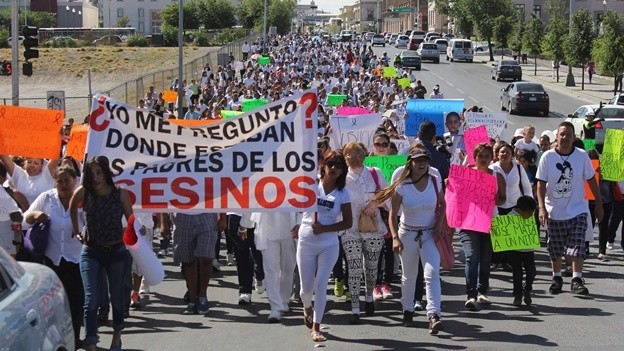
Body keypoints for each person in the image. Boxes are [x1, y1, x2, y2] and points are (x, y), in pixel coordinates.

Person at [373, 143, 448, 335]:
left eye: (425, 160)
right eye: (418, 160)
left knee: (431, 273)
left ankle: (434, 315)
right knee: (409, 276)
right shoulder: (403, 185)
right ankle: (407, 309)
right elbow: (393, 214)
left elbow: (442, 203)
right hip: (407, 234)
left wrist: (440, 224)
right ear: (410, 163)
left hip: (430, 234)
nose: (422, 164)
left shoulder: (433, 180)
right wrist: (395, 238)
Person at [69, 156, 133, 351]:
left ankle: (117, 334)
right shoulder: (84, 192)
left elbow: (131, 219)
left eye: (99, 172)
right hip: (91, 252)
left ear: (106, 173)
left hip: (116, 252)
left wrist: (134, 231)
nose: (95, 177)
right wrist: (76, 230)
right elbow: (72, 207)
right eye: (91, 173)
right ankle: (90, 341)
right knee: (91, 300)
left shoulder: (120, 194)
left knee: (117, 298)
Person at [536, 121, 603, 296]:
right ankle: (556, 278)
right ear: (557, 137)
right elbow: (540, 184)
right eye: (562, 134)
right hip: (555, 211)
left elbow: (591, 180)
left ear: (574, 138)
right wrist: (542, 208)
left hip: (578, 209)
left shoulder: (581, 156)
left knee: (578, 243)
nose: (565, 137)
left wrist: (599, 204)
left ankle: (577, 279)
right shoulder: (547, 157)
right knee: (555, 248)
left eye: (568, 135)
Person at [25, 165, 85, 347]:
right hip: (52, 262)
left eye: (67, 180)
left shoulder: (83, 200)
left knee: (75, 302)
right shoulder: (47, 197)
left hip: (76, 261)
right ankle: (55, 340)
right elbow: (24, 219)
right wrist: (35, 214)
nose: (63, 184)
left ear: (75, 181)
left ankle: (74, 338)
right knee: (54, 305)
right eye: (59, 180)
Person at [297, 151, 352, 342]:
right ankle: (306, 307)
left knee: (320, 285)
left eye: (338, 165)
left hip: (329, 242)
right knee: (306, 289)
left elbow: (347, 223)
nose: (334, 168)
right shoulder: (311, 184)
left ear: (343, 170)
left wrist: (326, 228)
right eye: (331, 164)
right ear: (324, 165)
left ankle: (316, 326)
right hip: (306, 240)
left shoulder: (343, 193)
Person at [341, 142, 387, 324]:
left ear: (364, 154)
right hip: (349, 228)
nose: (352, 156)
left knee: (371, 265)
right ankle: (354, 307)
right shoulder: (342, 177)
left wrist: (375, 203)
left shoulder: (374, 173)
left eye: (356, 152)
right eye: (348, 154)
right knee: (353, 267)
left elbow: (387, 193)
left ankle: (368, 297)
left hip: (373, 227)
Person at [458, 143, 506, 311]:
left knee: (485, 259)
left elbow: (503, 199)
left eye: (487, 156)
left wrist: (492, 198)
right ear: (475, 157)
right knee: (472, 256)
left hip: (489, 221)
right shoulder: (466, 174)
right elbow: (456, 195)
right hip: (469, 222)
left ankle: (482, 291)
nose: (484, 159)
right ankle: (471, 295)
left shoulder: (496, 176)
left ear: (491, 157)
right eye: (481, 156)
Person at [240, 211, 298, 322]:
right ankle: (275, 307)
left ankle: (284, 300)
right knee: (271, 270)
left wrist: (300, 223)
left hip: (289, 230)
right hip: (267, 232)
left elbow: (302, 203)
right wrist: (244, 224)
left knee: (288, 268)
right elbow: (254, 200)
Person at [506, 196, 538, 307]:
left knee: (532, 271)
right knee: (517, 273)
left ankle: (527, 289)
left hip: (528, 249)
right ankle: (517, 295)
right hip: (515, 250)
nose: (530, 216)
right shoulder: (510, 216)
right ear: (520, 210)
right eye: (529, 213)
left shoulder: (531, 216)